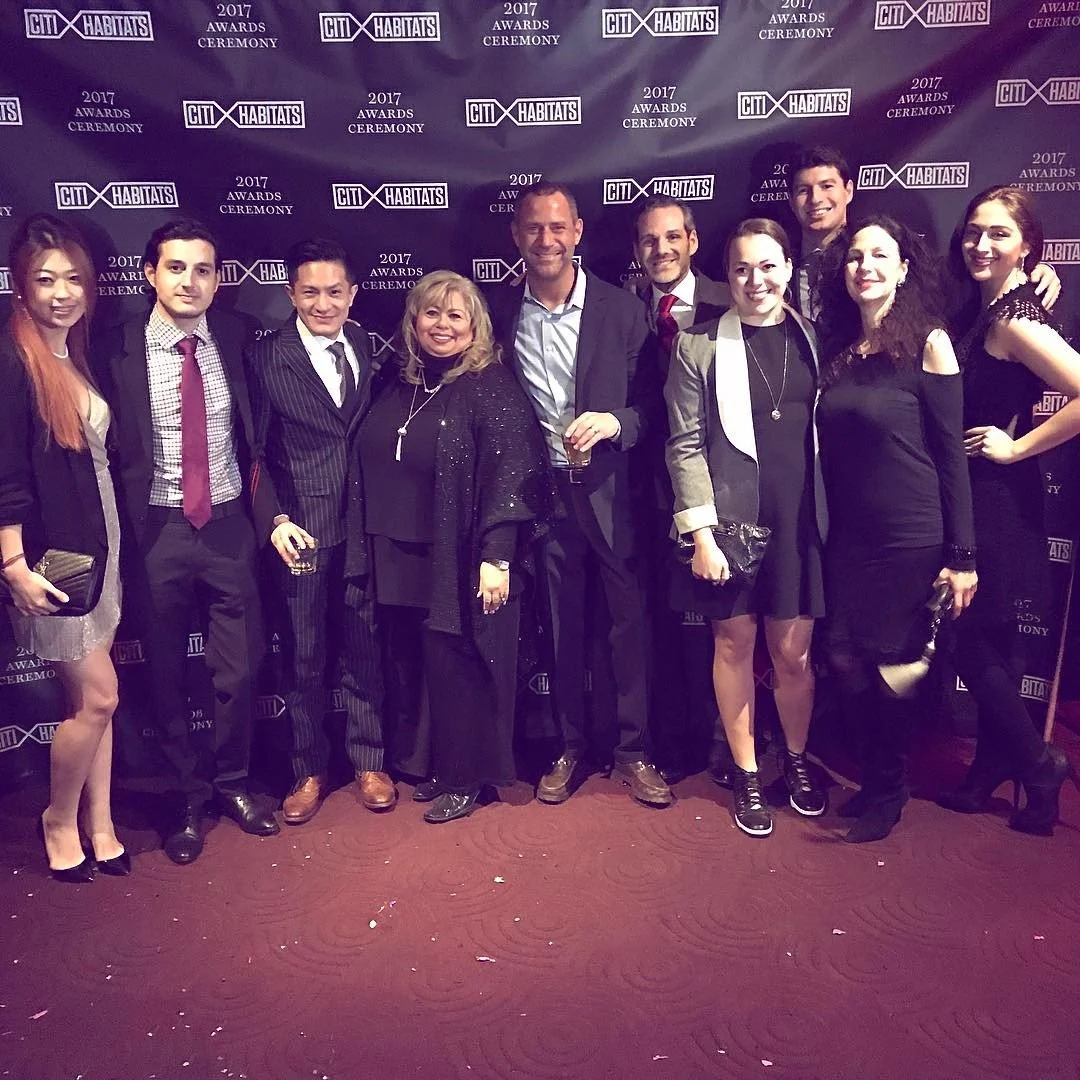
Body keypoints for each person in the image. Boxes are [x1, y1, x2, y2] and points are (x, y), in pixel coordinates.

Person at [97, 218, 279, 864]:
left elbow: (254, 444)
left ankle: (232, 785)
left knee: (241, 668)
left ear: (218, 279)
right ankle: (186, 797)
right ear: (150, 274)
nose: (189, 281)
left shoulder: (235, 336)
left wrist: (269, 515)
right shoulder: (112, 347)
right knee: (168, 674)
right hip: (156, 532)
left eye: (203, 270)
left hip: (229, 524)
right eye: (176, 268)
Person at [487, 181, 672, 808]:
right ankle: (570, 747)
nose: (546, 240)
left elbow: (655, 408)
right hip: (546, 500)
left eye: (558, 227)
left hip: (615, 492)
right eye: (534, 228)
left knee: (628, 628)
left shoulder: (624, 311)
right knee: (561, 630)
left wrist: (617, 422)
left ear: (578, 232)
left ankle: (634, 751)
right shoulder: (501, 315)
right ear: (516, 236)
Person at [356, 271, 550, 823]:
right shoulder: (401, 383)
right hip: (403, 554)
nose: (441, 326)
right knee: (428, 666)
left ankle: (470, 777)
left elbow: (515, 478)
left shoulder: (491, 386)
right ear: (414, 322)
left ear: (477, 326)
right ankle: (437, 763)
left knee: (466, 662)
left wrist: (498, 556)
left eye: (455, 315)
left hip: (466, 557)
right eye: (431, 314)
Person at [816, 215, 978, 843]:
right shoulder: (838, 352)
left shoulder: (929, 345)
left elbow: (950, 456)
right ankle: (879, 777)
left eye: (880, 255)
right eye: (855, 256)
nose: (866, 267)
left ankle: (887, 791)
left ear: (904, 268)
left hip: (911, 538)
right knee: (843, 657)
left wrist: (963, 555)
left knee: (893, 670)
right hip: (848, 538)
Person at [665, 218, 828, 837]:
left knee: (794, 655)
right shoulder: (696, 345)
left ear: (788, 269)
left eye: (768, 266)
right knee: (733, 647)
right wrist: (701, 535)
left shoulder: (814, 338)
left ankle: (796, 760)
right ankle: (748, 772)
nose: (755, 280)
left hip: (799, 524)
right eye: (742, 268)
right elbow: (683, 446)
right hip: (729, 528)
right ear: (725, 274)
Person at [937, 185, 1080, 835]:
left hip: (995, 501)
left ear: (1026, 245)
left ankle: (1037, 762)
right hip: (979, 496)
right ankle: (995, 772)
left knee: (966, 643)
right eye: (973, 231)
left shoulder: (1015, 318)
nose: (981, 244)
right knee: (987, 641)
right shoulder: (988, 306)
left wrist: (1019, 446)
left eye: (998, 234)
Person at [245, 239, 392, 825]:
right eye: (310, 292)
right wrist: (274, 519)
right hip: (299, 532)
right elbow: (250, 452)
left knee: (364, 646)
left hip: (361, 526)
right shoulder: (265, 358)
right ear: (290, 294)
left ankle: (369, 761)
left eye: (335, 292)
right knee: (303, 656)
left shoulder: (360, 342)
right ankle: (306, 769)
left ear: (353, 294)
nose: (323, 304)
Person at [0, 214, 127, 882]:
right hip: (54, 558)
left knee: (91, 702)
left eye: (73, 279)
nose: (61, 292)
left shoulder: (70, 354)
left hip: (99, 543)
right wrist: (13, 565)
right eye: (45, 280)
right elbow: (6, 474)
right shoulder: (13, 358)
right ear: (21, 287)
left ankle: (100, 825)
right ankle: (57, 819)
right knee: (98, 698)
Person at [632, 195, 732, 782]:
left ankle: (727, 744)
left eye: (673, 237)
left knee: (726, 619)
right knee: (664, 620)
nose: (661, 249)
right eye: (649, 240)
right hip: (645, 489)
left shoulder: (733, 300)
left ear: (693, 241)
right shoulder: (625, 310)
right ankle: (672, 738)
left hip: (720, 485)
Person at [787, 145, 1061, 321]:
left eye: (827, 186)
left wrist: (1031, 269)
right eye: (803, 190)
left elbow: (959, 274)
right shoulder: (774, 265)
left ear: (848, 191)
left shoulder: (885, 253)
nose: (815, 199)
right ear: (791, 200)